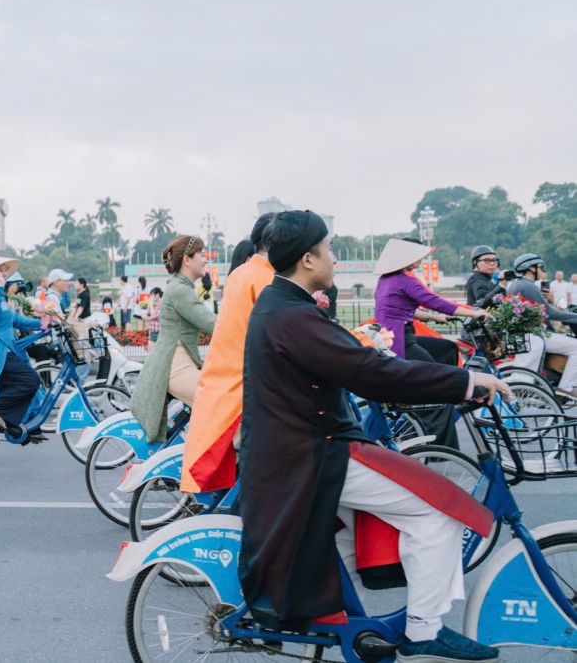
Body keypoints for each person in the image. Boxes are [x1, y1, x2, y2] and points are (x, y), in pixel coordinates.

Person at [238, 210, 507, 661]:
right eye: (329, 250)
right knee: (439, 512)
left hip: (295, 450)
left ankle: (348, 628)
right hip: (313, 452)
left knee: (341, 536)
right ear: (307, 259)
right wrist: (463, 382)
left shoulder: (282, 305)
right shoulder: (293, 316)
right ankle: (423, 629)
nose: (336, 259)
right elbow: (368, 373)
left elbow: (353, 364)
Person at [180, 212, 277, 493]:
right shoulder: (264, 280)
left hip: (216, 371)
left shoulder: (241, 275)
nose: (205, 259)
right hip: (196, 370)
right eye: (200, 255)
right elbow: (210, 322)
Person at [373, 238, 485, 446]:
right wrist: (474, 313)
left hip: (394, 337)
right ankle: (438, 445)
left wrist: (435, 317)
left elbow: (405, 307)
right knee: (439, 387)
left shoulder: (387, 279)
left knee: (448, 348)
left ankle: (455, 388)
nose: (421, 258)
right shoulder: (405, 280)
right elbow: (437, 302)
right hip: (401, 342)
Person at [131, 235, 218, 442]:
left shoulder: (181, 287)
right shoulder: (180, 291)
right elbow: (214, 324)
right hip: (176, 367)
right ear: (187, 260)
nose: (205, 260)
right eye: (202, 255)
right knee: (220, 402)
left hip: (178, 364)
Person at [0, 254, 46, 441]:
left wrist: (42, 324)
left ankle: (15, 423)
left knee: (23, 382)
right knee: (30, 380)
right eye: (0, 270)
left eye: (5, 270)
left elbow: (17, 320)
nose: (5, 273)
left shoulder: (0, 296)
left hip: (2, 348)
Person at [508, 254, 577, 398]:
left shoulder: (515, 284)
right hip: (534, 334)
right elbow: (550, 313)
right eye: (539, 267)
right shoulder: (528, 285)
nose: (541, 271)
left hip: (525, 333)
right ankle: (566, 387)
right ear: (530, 269)